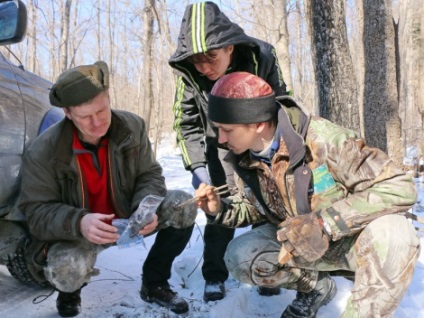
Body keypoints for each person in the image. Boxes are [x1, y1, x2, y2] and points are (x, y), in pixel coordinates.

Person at [195, 71, 420, 317]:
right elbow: (254, 207)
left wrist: (325, 222)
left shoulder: (325, 139)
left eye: (227, 129)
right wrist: (219, 209)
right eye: (218, 129)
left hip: (352, 243)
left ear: (258, 124)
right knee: (240, 256)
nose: (221, 138)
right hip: (301, 246)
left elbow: (399, 186)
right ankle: (316, 288)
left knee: (398, 235)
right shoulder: (247, 156)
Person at [11, 61, 197, 317]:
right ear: (67, 113)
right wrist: (79, 222)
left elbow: (150, 174)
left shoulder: (134, 127)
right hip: (80, 233)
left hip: (128, 217)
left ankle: (155, 283)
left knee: (182, 205)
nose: (97, 123)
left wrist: (146, 207)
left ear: (108, 97)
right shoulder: (44, 151)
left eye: (102, 110)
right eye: (85, 117)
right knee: (68, 267)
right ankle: (70, 292)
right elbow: (36, 212)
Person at [169, 1, 287, 301]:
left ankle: (267, 270)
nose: (205, 68)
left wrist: (277, 147)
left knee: (265, 205)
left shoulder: (261, 56)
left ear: (230, 48)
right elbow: (186, 124)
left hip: (259, 142)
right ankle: (214, 275)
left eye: (212, 57)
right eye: (197, 61)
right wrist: (198, 170)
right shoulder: (190, 75)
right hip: (217, 144)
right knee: (219, 207)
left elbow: (282, 101)